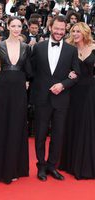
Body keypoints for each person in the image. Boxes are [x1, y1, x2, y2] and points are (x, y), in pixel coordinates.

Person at [31, 16, 80, 182]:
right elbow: (31, 72)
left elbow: (76, 74)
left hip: (62, 99)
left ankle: (52, 166)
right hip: (42, 99)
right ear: (50, 27)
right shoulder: (37, 47)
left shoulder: (71, 50)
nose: (59, 32)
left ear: (65, 29)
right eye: (56, 28)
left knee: (58, 135)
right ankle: (41, 166)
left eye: (62, 29)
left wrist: (63, 84)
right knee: (40, 135)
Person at [0, 16, 33, 184]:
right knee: (1, 125)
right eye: (13, 25)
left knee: (16, 126)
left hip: (19, 90)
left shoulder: (27, 47)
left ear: (22, 27)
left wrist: (27, 81)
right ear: (7, 26)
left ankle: (13, 168)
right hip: (1, 88)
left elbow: (29, 70)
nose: (16, 29)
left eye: (19, 26)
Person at [59, 22, 95, 180]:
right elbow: (60, 68)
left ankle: (86, 164)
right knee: (73, 123)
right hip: (72, 91)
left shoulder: (94, 47)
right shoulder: (69, 49)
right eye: (73, 31)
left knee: (87, 124)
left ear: (85, 32)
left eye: (78, 31)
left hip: (90, 91)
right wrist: (68, 74)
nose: (75, 34)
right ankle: (71, 163)